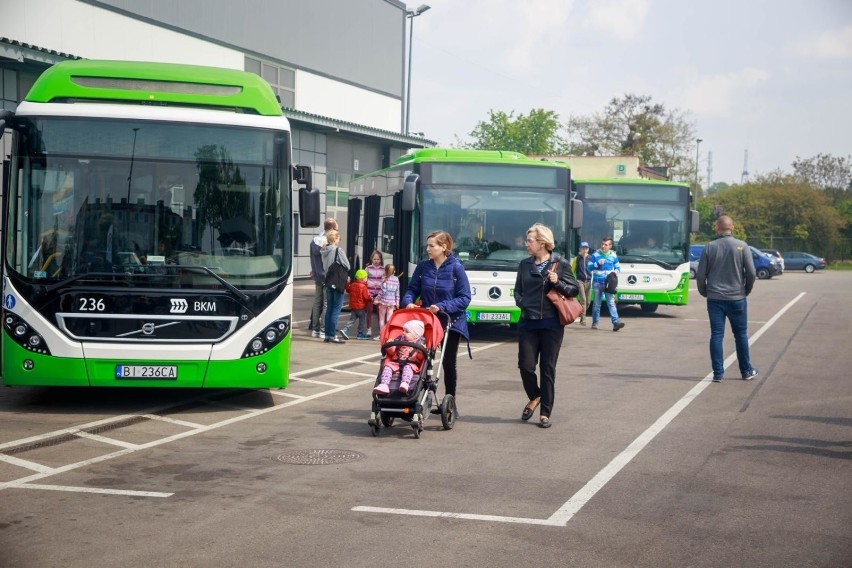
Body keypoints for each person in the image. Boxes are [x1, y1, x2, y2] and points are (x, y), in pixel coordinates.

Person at [514, 224, 580, 429]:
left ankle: (545, 413)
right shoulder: (524, 264)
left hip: (552, 324)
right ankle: (535, 396)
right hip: (528, 322)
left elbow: (574, 290)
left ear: (542, 243)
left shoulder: (560, 264)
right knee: (525, 366)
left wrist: (558, 282)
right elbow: (517, 291)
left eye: (530, 241)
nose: (526, 244)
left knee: (547, 368)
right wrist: (523, 303)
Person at [401, 231, 471, 403]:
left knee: (448, 362)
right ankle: (420, 397)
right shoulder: (424, 266)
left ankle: (450, 401)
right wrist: (408, 301)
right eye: (428, 245)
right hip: (428, 321)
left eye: (432, 246)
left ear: (444, 247)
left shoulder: (456, 268)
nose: (428, 249)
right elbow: (412, 290)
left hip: (450, 321)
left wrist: (441, 306)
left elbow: (465, 298)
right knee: (423, 358)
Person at [696, 215, 759, 382]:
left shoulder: (709, 247)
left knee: (717, 334)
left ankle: (718, 373)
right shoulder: (742, 246)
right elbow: (752, 273)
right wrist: (746, 289)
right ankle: (746, 371)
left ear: (717, 228)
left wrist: (704, 291)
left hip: (715, 298)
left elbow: (701, 274)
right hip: (737, 298)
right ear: (733, 228)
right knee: (741, 335)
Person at [372, 319, 427, 396]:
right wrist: (390, 345)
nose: (403, 333)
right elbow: (392, 352)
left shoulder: (420, 343)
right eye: (403, 331)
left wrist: (421, 351)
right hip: (396, 362)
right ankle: (384, 385)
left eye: (407, 332)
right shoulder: (400, 339)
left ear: (416, 335)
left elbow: (421, 358)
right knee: (388, 367)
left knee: (408, 368)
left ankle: (405, 383)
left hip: (411, 364)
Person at [588, 237, 625, 331]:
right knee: (597, 304)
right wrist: (597, 264)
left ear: (610, 246)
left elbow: (618, 267)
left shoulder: (613, 255)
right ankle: (595, 322)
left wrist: (616, 272)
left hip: (609, 282)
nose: (603, 246)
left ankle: (616, 322)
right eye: (602, 244)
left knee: (611, 303)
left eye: (606, 244)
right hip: (598, 282)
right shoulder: (595, 254)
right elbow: (588, 267)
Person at [309, 218, 338, 339]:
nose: (336, 232)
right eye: (336, 229)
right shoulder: (328, 242)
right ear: (331, 229)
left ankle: (315, 329)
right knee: (327, 303)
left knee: (317, 302)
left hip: (317, 275)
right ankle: (323, 329)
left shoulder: (314, 241)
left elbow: (313, 258)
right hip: (327, 276)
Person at [321, 229, 349, 344]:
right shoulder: (338, 250)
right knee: (336, 310)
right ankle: (333, 335)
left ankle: (327, 335)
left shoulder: (324, 250)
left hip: (328, 281)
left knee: (329, 309)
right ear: (336, 239)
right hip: (337, 283)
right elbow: (347, 265)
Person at [341, 269, 372, 340]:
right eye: (366, 277)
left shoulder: (353, 285)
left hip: (353, 306)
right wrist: (371, 298)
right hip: (361, 307)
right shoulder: (363, 287)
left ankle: (345, 329)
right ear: (363, 278)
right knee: (362, 320)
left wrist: (347, 283)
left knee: (352, 319)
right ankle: (360, 333)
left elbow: (348, 290)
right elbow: (366, 297)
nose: (367, 278)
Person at [375, 263, 400, 337]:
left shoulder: (384, 279)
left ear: (385, 271)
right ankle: (388, 334)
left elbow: (382, 292)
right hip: (392, 302)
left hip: (383, 302)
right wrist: (397, 301)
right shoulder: (396, 279)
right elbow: (397, 291)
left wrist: (376, 299)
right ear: (394, 271)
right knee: (389, 319)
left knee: (382, 319)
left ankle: (382, 334)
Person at [570, 241, 592, 326]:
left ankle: (580, 312)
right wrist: (573, 280)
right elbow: (572, 270)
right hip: (580, 281)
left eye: (586, 248)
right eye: (583, 248)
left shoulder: (590, 258)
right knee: (583, 300)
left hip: (589, 281)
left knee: (588, 302)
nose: (585, 249)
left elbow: (594, 267)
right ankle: (583, 320)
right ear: (580, 249)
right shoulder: (577, 258)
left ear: (588, 249)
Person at [365, 250, 385, 337]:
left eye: (378, 259)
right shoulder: (368, 268)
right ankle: (369, 329)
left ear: (380, 260)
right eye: (374, 259)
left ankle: (381, 330)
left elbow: (384, 281)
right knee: (369, 311)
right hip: (370, 293)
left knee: (380, 312)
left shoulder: (383, 269)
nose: (376, 261)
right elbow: (365, 280)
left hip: (379, 294)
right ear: (371, 259)